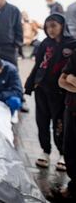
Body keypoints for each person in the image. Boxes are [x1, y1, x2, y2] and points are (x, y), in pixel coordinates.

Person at [24, 13, 76, 171]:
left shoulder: (72, 44)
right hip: (42, 90)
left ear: (62, 25)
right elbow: (38, 65)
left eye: (54, 26)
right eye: (47, 27)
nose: (50, 30)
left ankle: (62, 154)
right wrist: (30, 84)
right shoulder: (44, 44)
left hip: (61, 93)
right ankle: (45, 151)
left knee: (60, 124)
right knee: (42, 122)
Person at [57, 50, 76, 201]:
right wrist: (69, 79)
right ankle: (73, 186)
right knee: (69, 148)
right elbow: (62, 80)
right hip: (72, 108)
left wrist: (72, 79)